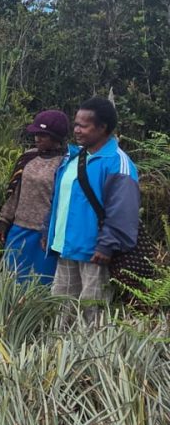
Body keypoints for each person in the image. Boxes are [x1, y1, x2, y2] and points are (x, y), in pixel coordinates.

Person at [44, 97, 139, 320]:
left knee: (91, 315)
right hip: (66, 248)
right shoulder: (74, 156)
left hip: (95, 254)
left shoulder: (118, 163)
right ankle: (58, 354)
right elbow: (59, 197)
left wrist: (106, 246)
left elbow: (123, 211)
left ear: (102, 127)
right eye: (75, 124)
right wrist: (47, 230)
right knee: (61, 310)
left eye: (83, 125)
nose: (76, 130)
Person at [0, 110, 69, 284]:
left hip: (46, 235)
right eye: (36, 134)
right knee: (11, 280)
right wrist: (4, 219)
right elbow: (15, 191)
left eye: (43, 135)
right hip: (19, 229)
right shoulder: (28, 157)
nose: (37, 138)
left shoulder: (66, 163)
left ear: (56, 137)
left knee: (41, 283)